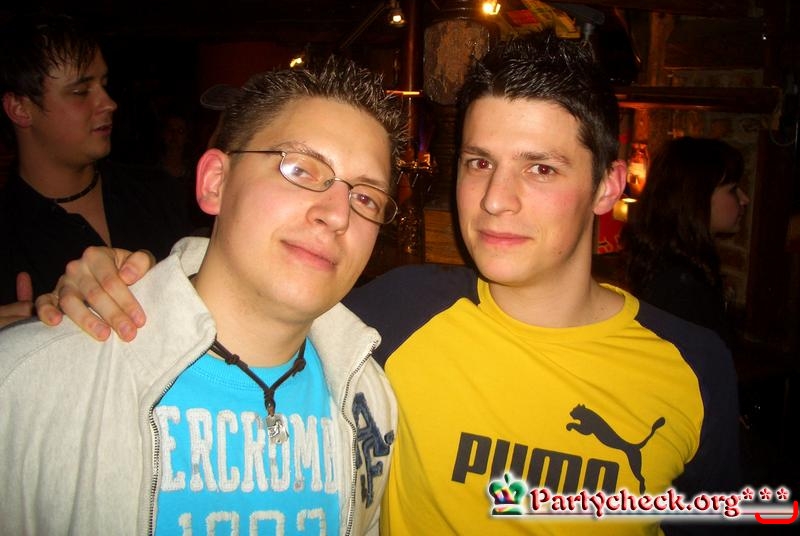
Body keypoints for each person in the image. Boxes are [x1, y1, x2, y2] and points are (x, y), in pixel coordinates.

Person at [34, 32, 741, 534]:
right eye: (478, 163)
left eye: (541, 168)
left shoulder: (693, 364)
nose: (496, 200)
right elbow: (251, 295)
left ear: (608, 186)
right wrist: (112, 287)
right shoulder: (395, 315)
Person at [0, 57, 402, 534]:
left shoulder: (370, 403)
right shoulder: (27, 385)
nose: (338, 214)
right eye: (300, 169)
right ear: (215, 183)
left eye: (365, 198)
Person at [0, 11, 193, 305]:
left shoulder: (158, 193)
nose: (109, 103)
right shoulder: (8, 235)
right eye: (80, 91)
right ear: (20, 109)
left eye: (104, 84)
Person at [620, 136, 750, 345]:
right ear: (698, 196)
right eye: (733, 189)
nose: (745, 199)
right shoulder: (678, 287)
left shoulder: (679, 264)